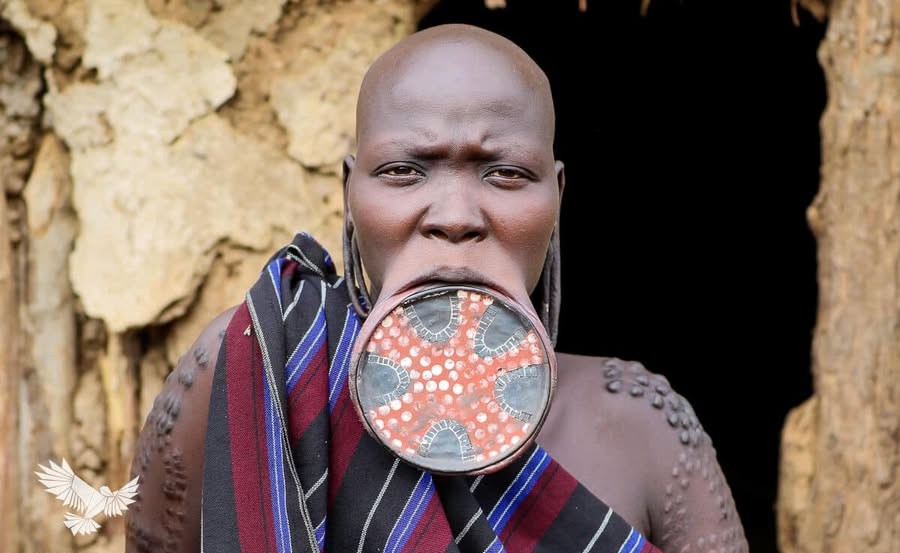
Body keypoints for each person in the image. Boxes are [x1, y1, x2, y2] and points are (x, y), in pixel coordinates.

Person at [126, 23, 748, 553]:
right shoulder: (247, 371)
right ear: (350, 193)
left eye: (505, 173)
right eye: (403, 171)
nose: (455, 215)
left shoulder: (640, 426)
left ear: (558, 195)